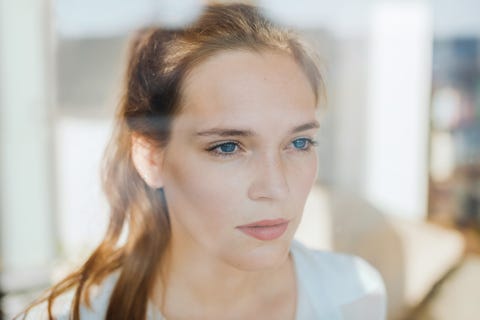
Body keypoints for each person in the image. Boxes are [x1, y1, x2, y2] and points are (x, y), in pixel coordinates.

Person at [20, 3, 386, 319]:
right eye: (228, 147)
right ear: (150, 158)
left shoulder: (354, 295)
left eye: (299, 142)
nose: (276, 187)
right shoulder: (73, 315)